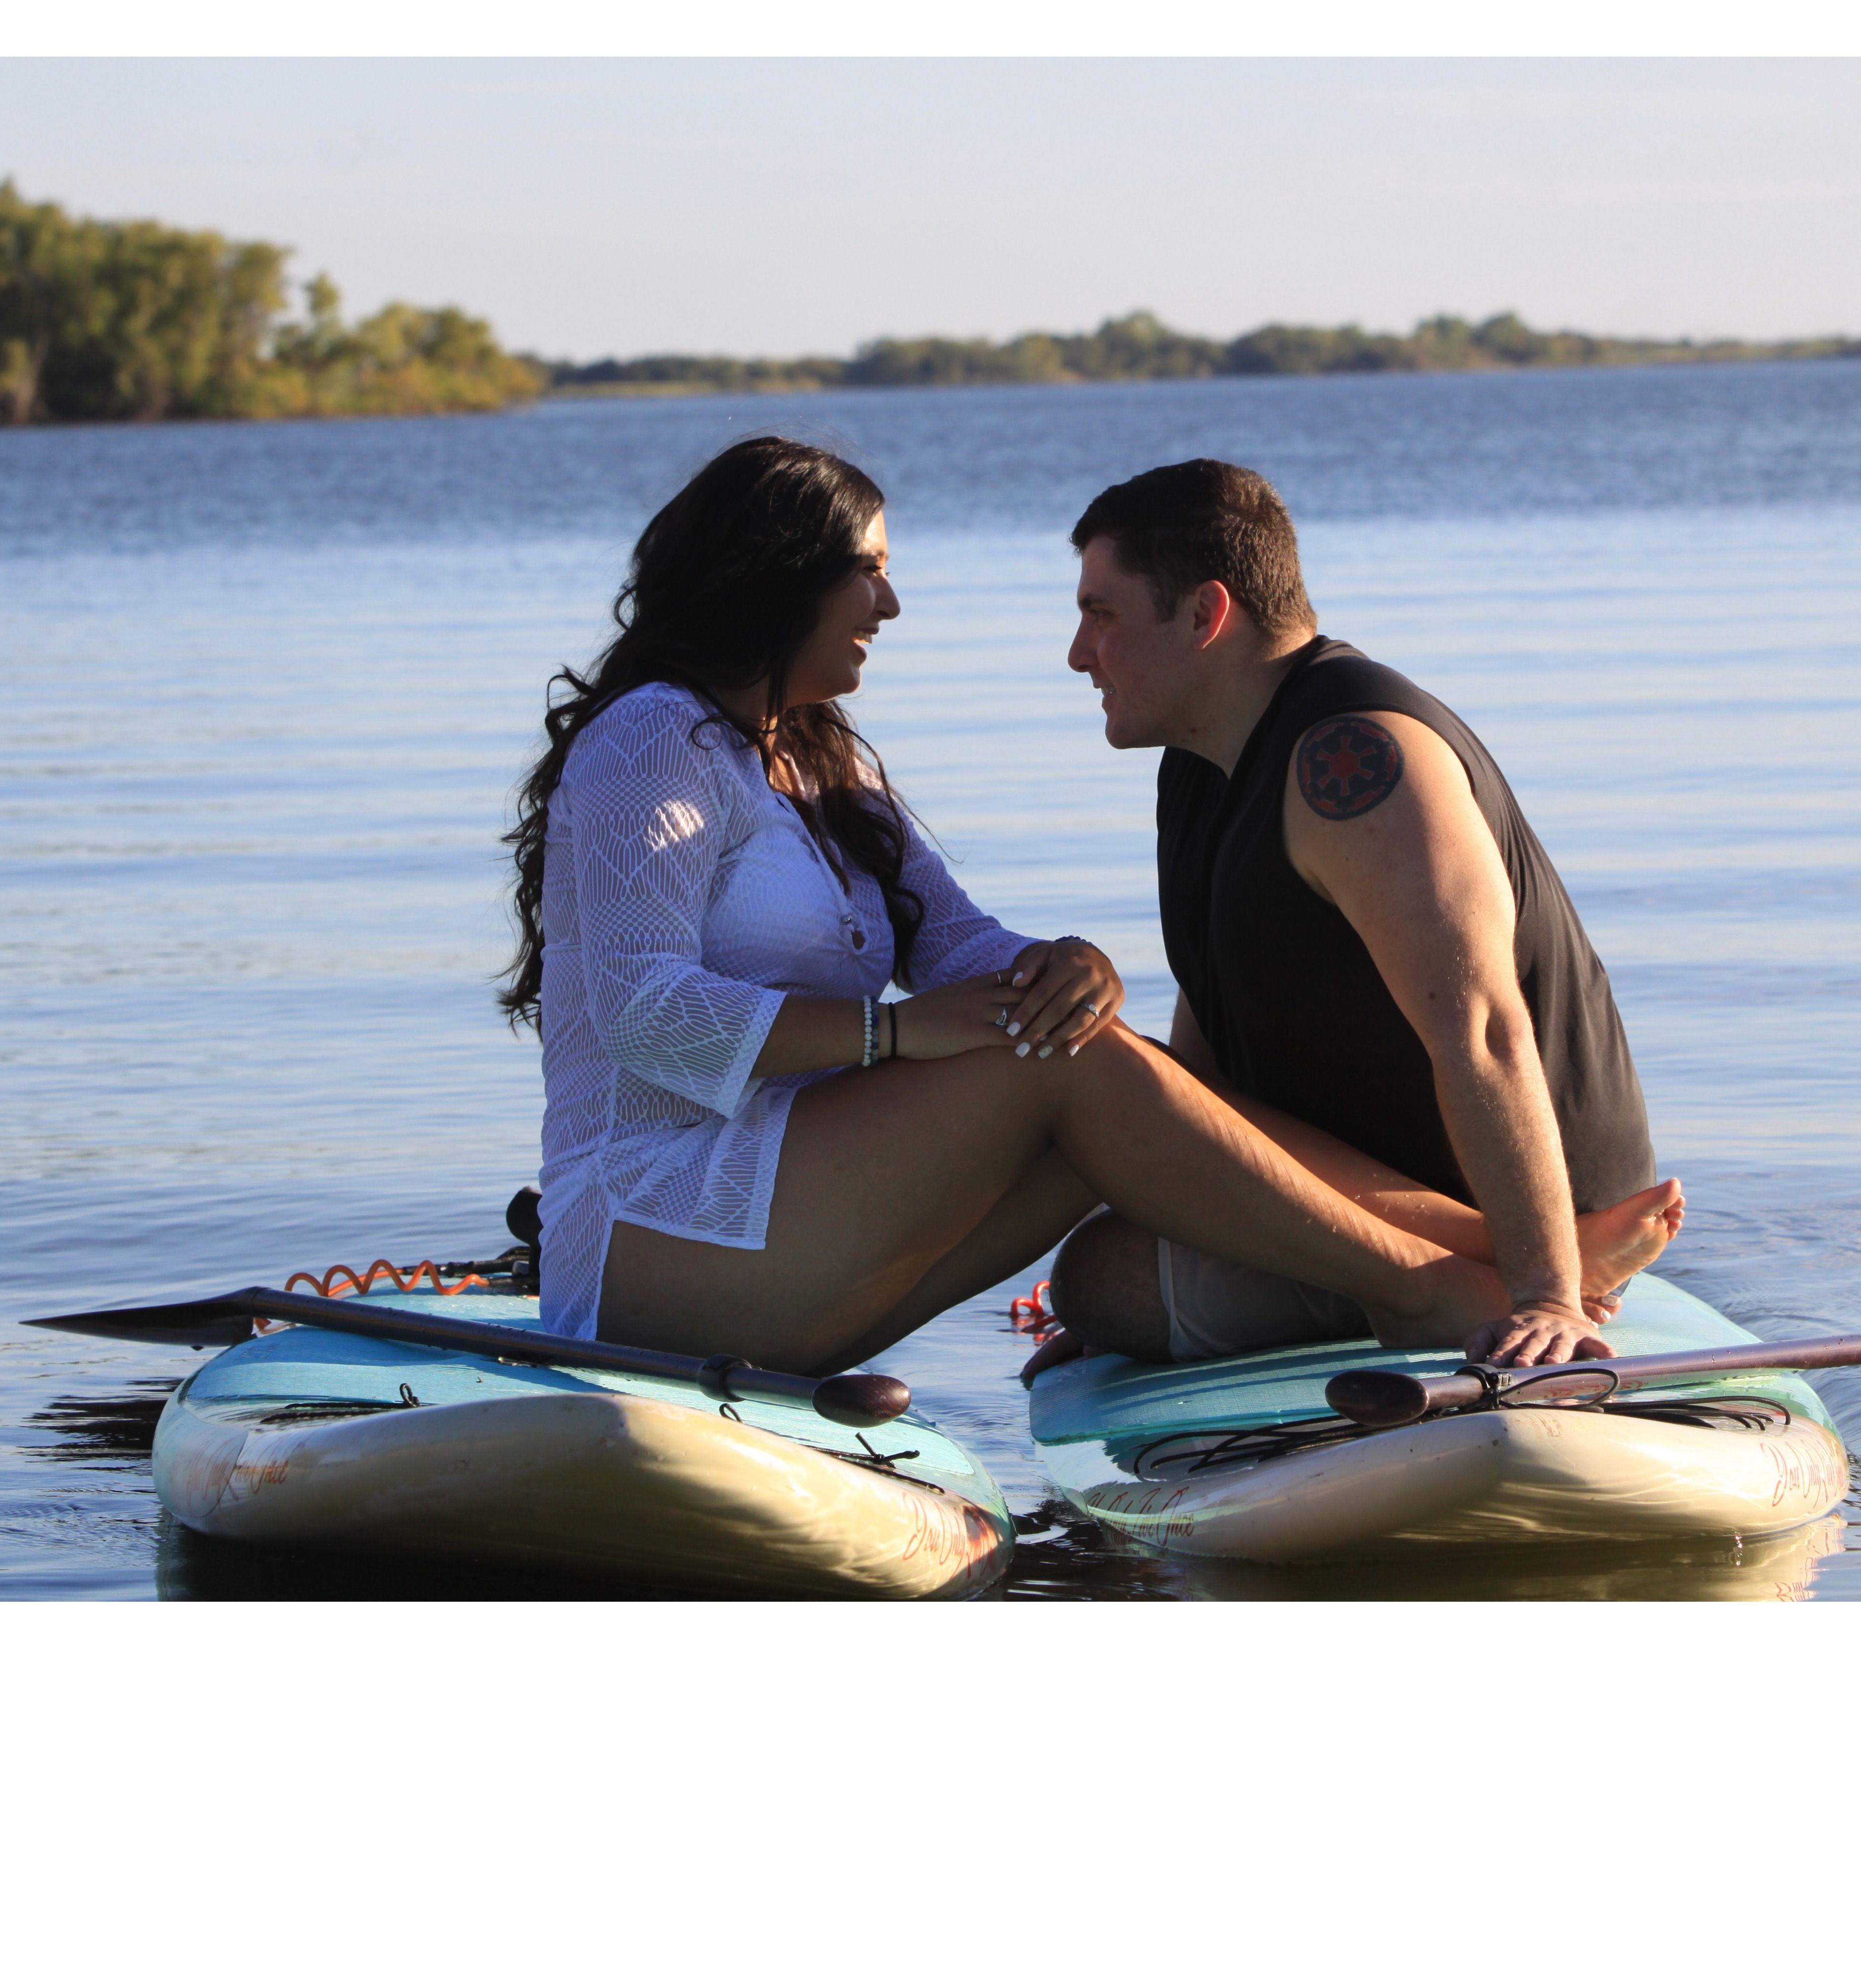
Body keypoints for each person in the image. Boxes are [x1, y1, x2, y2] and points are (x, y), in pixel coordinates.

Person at [500, 436, 1679, 1379]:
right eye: (871, 570)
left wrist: (1069, 966)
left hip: (805, 1235)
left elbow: (959, 942)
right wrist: (898, 1033)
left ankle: (1500, 1264)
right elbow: (647, 1015)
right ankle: (1450, 1281)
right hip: (655, 1234)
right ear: (781, 576)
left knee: (1082, 1045)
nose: (891, 605)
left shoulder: (825, 762)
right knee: (1058, 1065)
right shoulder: (650, 739)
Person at [1047, 457, 1683, 1372]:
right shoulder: (1199, 762)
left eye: (1101, 616)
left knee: (1102, 1276)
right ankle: (1507, 1262)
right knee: (1112, 1237)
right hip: (1412, 1196)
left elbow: (1487, 1030)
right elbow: (1208, 1038)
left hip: (1533, 1194)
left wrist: (1545, 1298)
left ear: (1204, 614)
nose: (1078, 653)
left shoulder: (1353, 759)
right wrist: (1173, 1207)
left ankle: (1529, 1269)